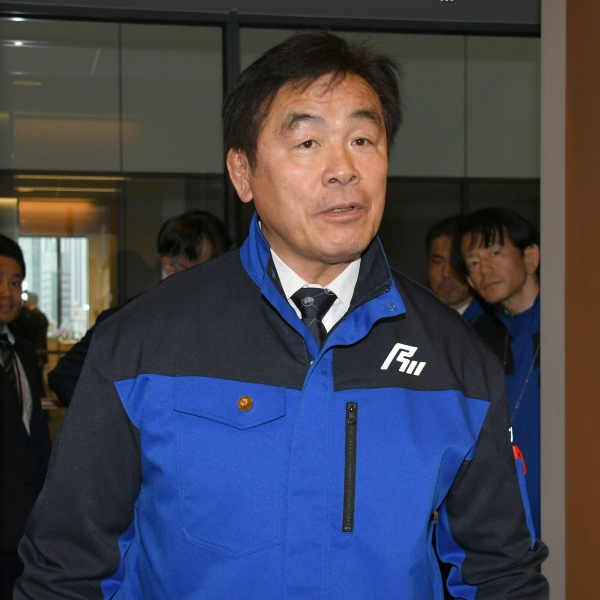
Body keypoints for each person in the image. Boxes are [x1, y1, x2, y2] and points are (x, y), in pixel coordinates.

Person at [16, 32, 548, 599]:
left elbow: (500, 574)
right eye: (308, 142)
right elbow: (67, 571)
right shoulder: (143, 341)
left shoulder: (455, 357)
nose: (343, 169)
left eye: (363, 139)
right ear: (242, 172)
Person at [47, 210, 231, 407]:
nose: (212, 280)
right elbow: (65, 377)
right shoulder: (129, 318)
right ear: (169, 266)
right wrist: (120, 416)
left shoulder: (228, 319)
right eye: (202, 270)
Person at [452, 207, 542, 538]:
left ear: (530, 258)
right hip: (505, 515)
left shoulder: (573, 324)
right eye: (473, 263)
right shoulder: (473, 339)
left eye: (494, 253)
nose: (484, 269)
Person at [0, 235, 51, 599]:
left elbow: (33, 436)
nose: (7, 292)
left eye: (15, 282)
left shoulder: (24, 351)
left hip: (25, 530)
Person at [425, 216, 485, 321]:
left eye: (455, 262)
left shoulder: (496, 325)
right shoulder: (415, 319)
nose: (446, 273)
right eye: (438, 263)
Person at [12, 291, 49, 373]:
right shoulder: (41, 316)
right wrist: (43, 357)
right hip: (37, 353)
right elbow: (42, 339)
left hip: (27, 353)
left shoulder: (26, 316)